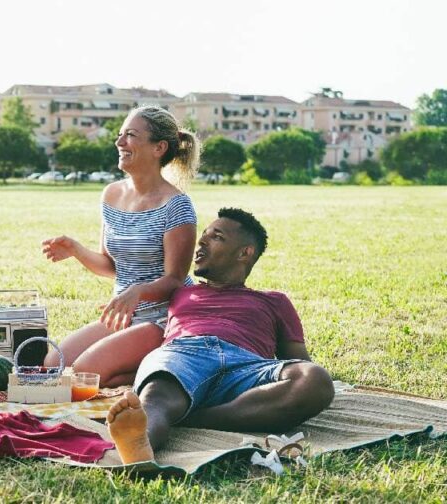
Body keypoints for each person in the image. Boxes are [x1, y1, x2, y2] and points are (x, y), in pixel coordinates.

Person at [105, 208, 335, 464]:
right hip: (185, 355)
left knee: (315, 379)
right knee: (157, 395)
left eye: (216, 237)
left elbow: (300, 361)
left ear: (244, 253)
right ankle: (140, 442)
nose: (201, 242)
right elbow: (131, 267)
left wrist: (303, 382)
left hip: (247, 368)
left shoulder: (274, 301)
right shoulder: (179, 292)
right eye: (203, 234)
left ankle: (194, 417)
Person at [41, 106, 199, 387]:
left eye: (130, 135)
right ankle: (141, 371)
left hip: (161, 319)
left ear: (158, 148)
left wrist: (137, 292)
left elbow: (175, 280)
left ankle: (161, 368)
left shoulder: (177, 205)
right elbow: (112, 266)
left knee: (85, 373)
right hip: (122, 316)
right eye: (120, 135)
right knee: (54, 364)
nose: (119, 142)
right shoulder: (112, 194)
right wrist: (76, 249)